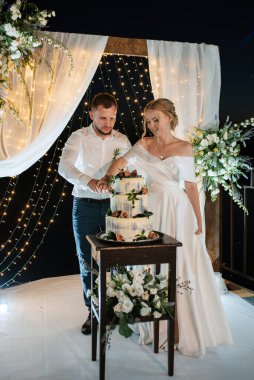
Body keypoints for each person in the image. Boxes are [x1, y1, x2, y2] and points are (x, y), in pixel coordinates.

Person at [98, 98, 233, 356]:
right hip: (151, 210)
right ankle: (152, 321)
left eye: (156, 119)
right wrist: (106, 178)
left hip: (178, 209)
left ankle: (182, 326)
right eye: (148, 121)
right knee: (150, 262)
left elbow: (191, 186)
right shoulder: (143, 144)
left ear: (170, 118)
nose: (151, 125)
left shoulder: (185, 147)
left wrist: (198, 221)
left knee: (181, 263)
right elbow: (118, 164)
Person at [58, 93, 131, 335]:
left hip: (114, 206)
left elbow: (131, 169)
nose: (108, 123)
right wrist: (88, 181)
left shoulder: (122, 140)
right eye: (102, 118)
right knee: (87, 260)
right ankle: (93, 312)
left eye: (112, 118)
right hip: (85, 205)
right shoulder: (78, 137)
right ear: (91, 115)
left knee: (116, 260)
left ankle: (115, 308)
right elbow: (65, 166)